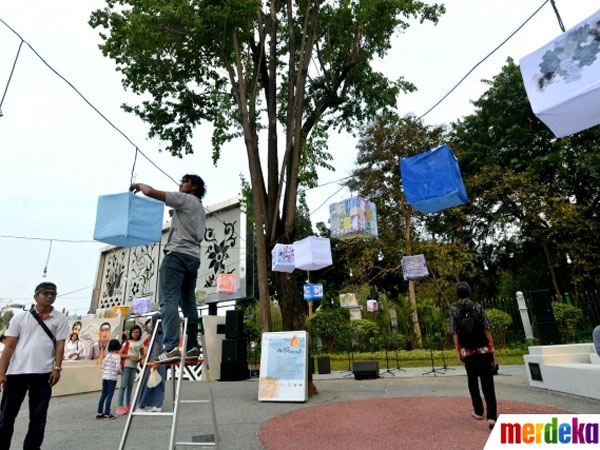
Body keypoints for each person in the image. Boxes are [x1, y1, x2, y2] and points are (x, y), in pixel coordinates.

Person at [130, 174, 206, 363]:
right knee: (188, 303)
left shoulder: (185, 199)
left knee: (168, 300)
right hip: (193, 258)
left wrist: (140, 185)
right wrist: (175, 213)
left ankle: (171, 346)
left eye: (184, 182)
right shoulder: (199, 208)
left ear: (193, 186)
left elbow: (152, 192)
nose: (180, 185)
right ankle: (192, 347)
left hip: (176, 256)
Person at [0, 282, 69, 450]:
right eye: (45, 293)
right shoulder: (19, 318)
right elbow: (9, 346)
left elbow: (60, 345)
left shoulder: (60, 318)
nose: (50, 296)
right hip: (17, 372)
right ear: (35, 296)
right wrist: (2, 372)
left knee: (38, 416)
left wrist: (57, 368)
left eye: (53, 293)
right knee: (7, 416)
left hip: (44, 374)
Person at [449, 281, 497, 430]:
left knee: (472, 381)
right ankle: (492, 417)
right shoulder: (478, 307)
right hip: (483, 349)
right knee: (487, 382)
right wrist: (492, 349)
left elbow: (454, 332)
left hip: (467, 351)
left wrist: (458, 351)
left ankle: (478, 411)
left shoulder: (454, 310)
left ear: (457, 294)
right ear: (469, 292)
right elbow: (487, 328)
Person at [138, 314, 166, 412]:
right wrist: (143, 326)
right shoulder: (161, 332)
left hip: (155, 361)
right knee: (156, 382)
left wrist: (155, 362)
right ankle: (156, 404)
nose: (150, 323)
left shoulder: (158, 334)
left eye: (152, 321)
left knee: (152, 382)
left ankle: (150, 404)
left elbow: (157, 348)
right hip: (158, 361)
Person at [116, 325, 145, 415]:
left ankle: (128, 404)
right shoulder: (127, 342)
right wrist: (129, 356)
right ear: (131, 333)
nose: (136, 334)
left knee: (130, 386)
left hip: (134, 366)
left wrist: (139, 359)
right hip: (126, 365)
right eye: (134, 332)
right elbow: (120, 354)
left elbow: (143, 354)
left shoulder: (140, 343)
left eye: (137, 332)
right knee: (123, 386)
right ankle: (120, 405)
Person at [96, 339, 121, 419]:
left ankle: (99, 412)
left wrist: (106, 371)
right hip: (112, 378)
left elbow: (103, 366)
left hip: (105, 377)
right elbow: (118, 368)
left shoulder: (107, 355)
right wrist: (120, 372)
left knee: (103, 394)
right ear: (118, 347)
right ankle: (107, 412)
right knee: (110, 395)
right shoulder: (117, 356)